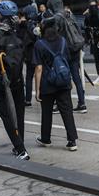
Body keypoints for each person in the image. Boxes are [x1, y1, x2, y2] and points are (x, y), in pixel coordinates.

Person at [0, 1, 28, 160]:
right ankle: (20, 144)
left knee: (6, 115)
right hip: (18, 79)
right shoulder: (17, 33)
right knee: (19, 113)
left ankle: (20, 148)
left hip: (1, 81)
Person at [33, 17, 78, 152]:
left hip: (47, 83)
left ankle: (46, 138)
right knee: (67, 111)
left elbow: (39, 68)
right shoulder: (63, 41)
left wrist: (37, 89)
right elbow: (67, 60)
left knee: (46, 112)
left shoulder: (39, 44)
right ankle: (72, 140)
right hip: (63, 81)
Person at [44, 0, 86, 113]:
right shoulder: (69, 13)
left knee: (62, 76)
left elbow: (54, 35)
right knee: (76, 77)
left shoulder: (57, 18)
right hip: (76, 48)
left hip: (64, 50)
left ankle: (61, 104)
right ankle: (82, 103)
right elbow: (78, 29)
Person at [18, 5, 39, 106]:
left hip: (30, 54)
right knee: (40, 76)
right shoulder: (37, 24)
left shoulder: (27, 25)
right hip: (38, 53)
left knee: (29, 77)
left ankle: (28, 99)